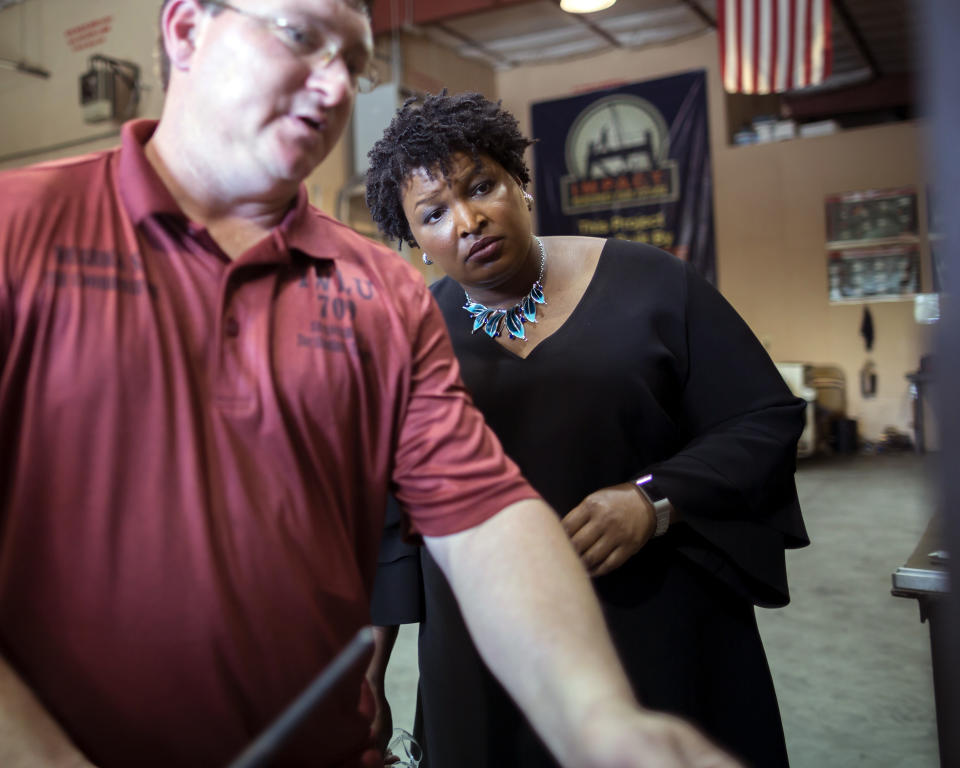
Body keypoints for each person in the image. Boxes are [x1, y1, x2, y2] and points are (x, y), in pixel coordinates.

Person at [0, 2, 742, 768]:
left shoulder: (378, 294)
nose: (333, 88)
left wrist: (598, 719)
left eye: (352, 64)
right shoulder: (18, 235)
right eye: (300, 37)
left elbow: (480, 513)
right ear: (187, 30)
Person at [365, 91, 810, 767]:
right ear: (414, 243)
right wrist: (369, 674)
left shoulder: (652, 285)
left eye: (482, 186)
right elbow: (392, 521)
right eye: (433, 213)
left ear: (519, 181)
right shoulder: (414, 339)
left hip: (655, 621)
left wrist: (654, 500)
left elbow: (762, 419)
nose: (468, 219)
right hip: (484, 646)